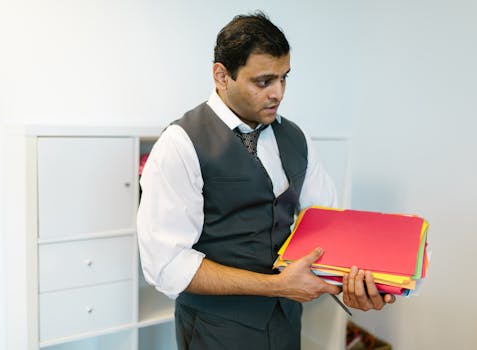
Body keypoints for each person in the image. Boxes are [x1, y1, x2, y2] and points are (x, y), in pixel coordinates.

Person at [137, 12, 395, 350]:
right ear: (221, 75)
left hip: (286, 322)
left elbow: (327, 222)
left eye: (284, 78)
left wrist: (356, 282)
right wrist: (276, 286)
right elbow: (166, 265)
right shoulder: (178, 146)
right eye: (264, 81)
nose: (279, 93)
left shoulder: (296, 138)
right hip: (215, 329)